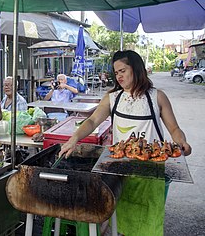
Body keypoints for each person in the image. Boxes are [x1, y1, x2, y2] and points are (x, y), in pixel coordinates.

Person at [59, 50, 192, 236]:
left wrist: (182, 142)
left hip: (151, 171)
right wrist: (74, 138)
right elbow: (92, 121)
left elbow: (174, 129)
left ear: (136, 69)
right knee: (122, 220)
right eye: (116, 73)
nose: (119, 76)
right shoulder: (113, 98)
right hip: (120, 170)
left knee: (149, 221)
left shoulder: (157, 97)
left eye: (122, 70)